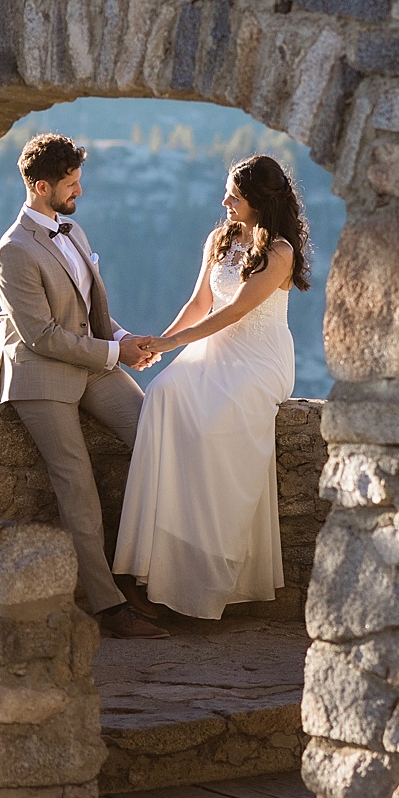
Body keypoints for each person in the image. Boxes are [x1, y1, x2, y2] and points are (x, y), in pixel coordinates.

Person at [0, 132, 171, 640]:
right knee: (79, 487)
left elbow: (91, 313)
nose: (80, 192)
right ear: (41, 187)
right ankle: (109, 608)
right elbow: (43, 336)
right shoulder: (13, 252)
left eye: (79, 182)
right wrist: (116, 355)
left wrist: (124, 338)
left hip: (92, 361)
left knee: (156, 440)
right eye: (71, 184)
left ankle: (140, 574)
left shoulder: (74, 230)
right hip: (41, 375)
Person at [113, 153, 309, 621]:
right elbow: (201, 301)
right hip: (213, 351)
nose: (224, 202)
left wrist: (171, 341)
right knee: (162, 396)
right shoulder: (221, 239)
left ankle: (206, 572)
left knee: (213, 425)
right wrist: (158, 348)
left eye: (235, 196)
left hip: (258, 359)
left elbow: (235, 311)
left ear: (259, 202)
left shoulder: (280, 252)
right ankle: (152, 566)